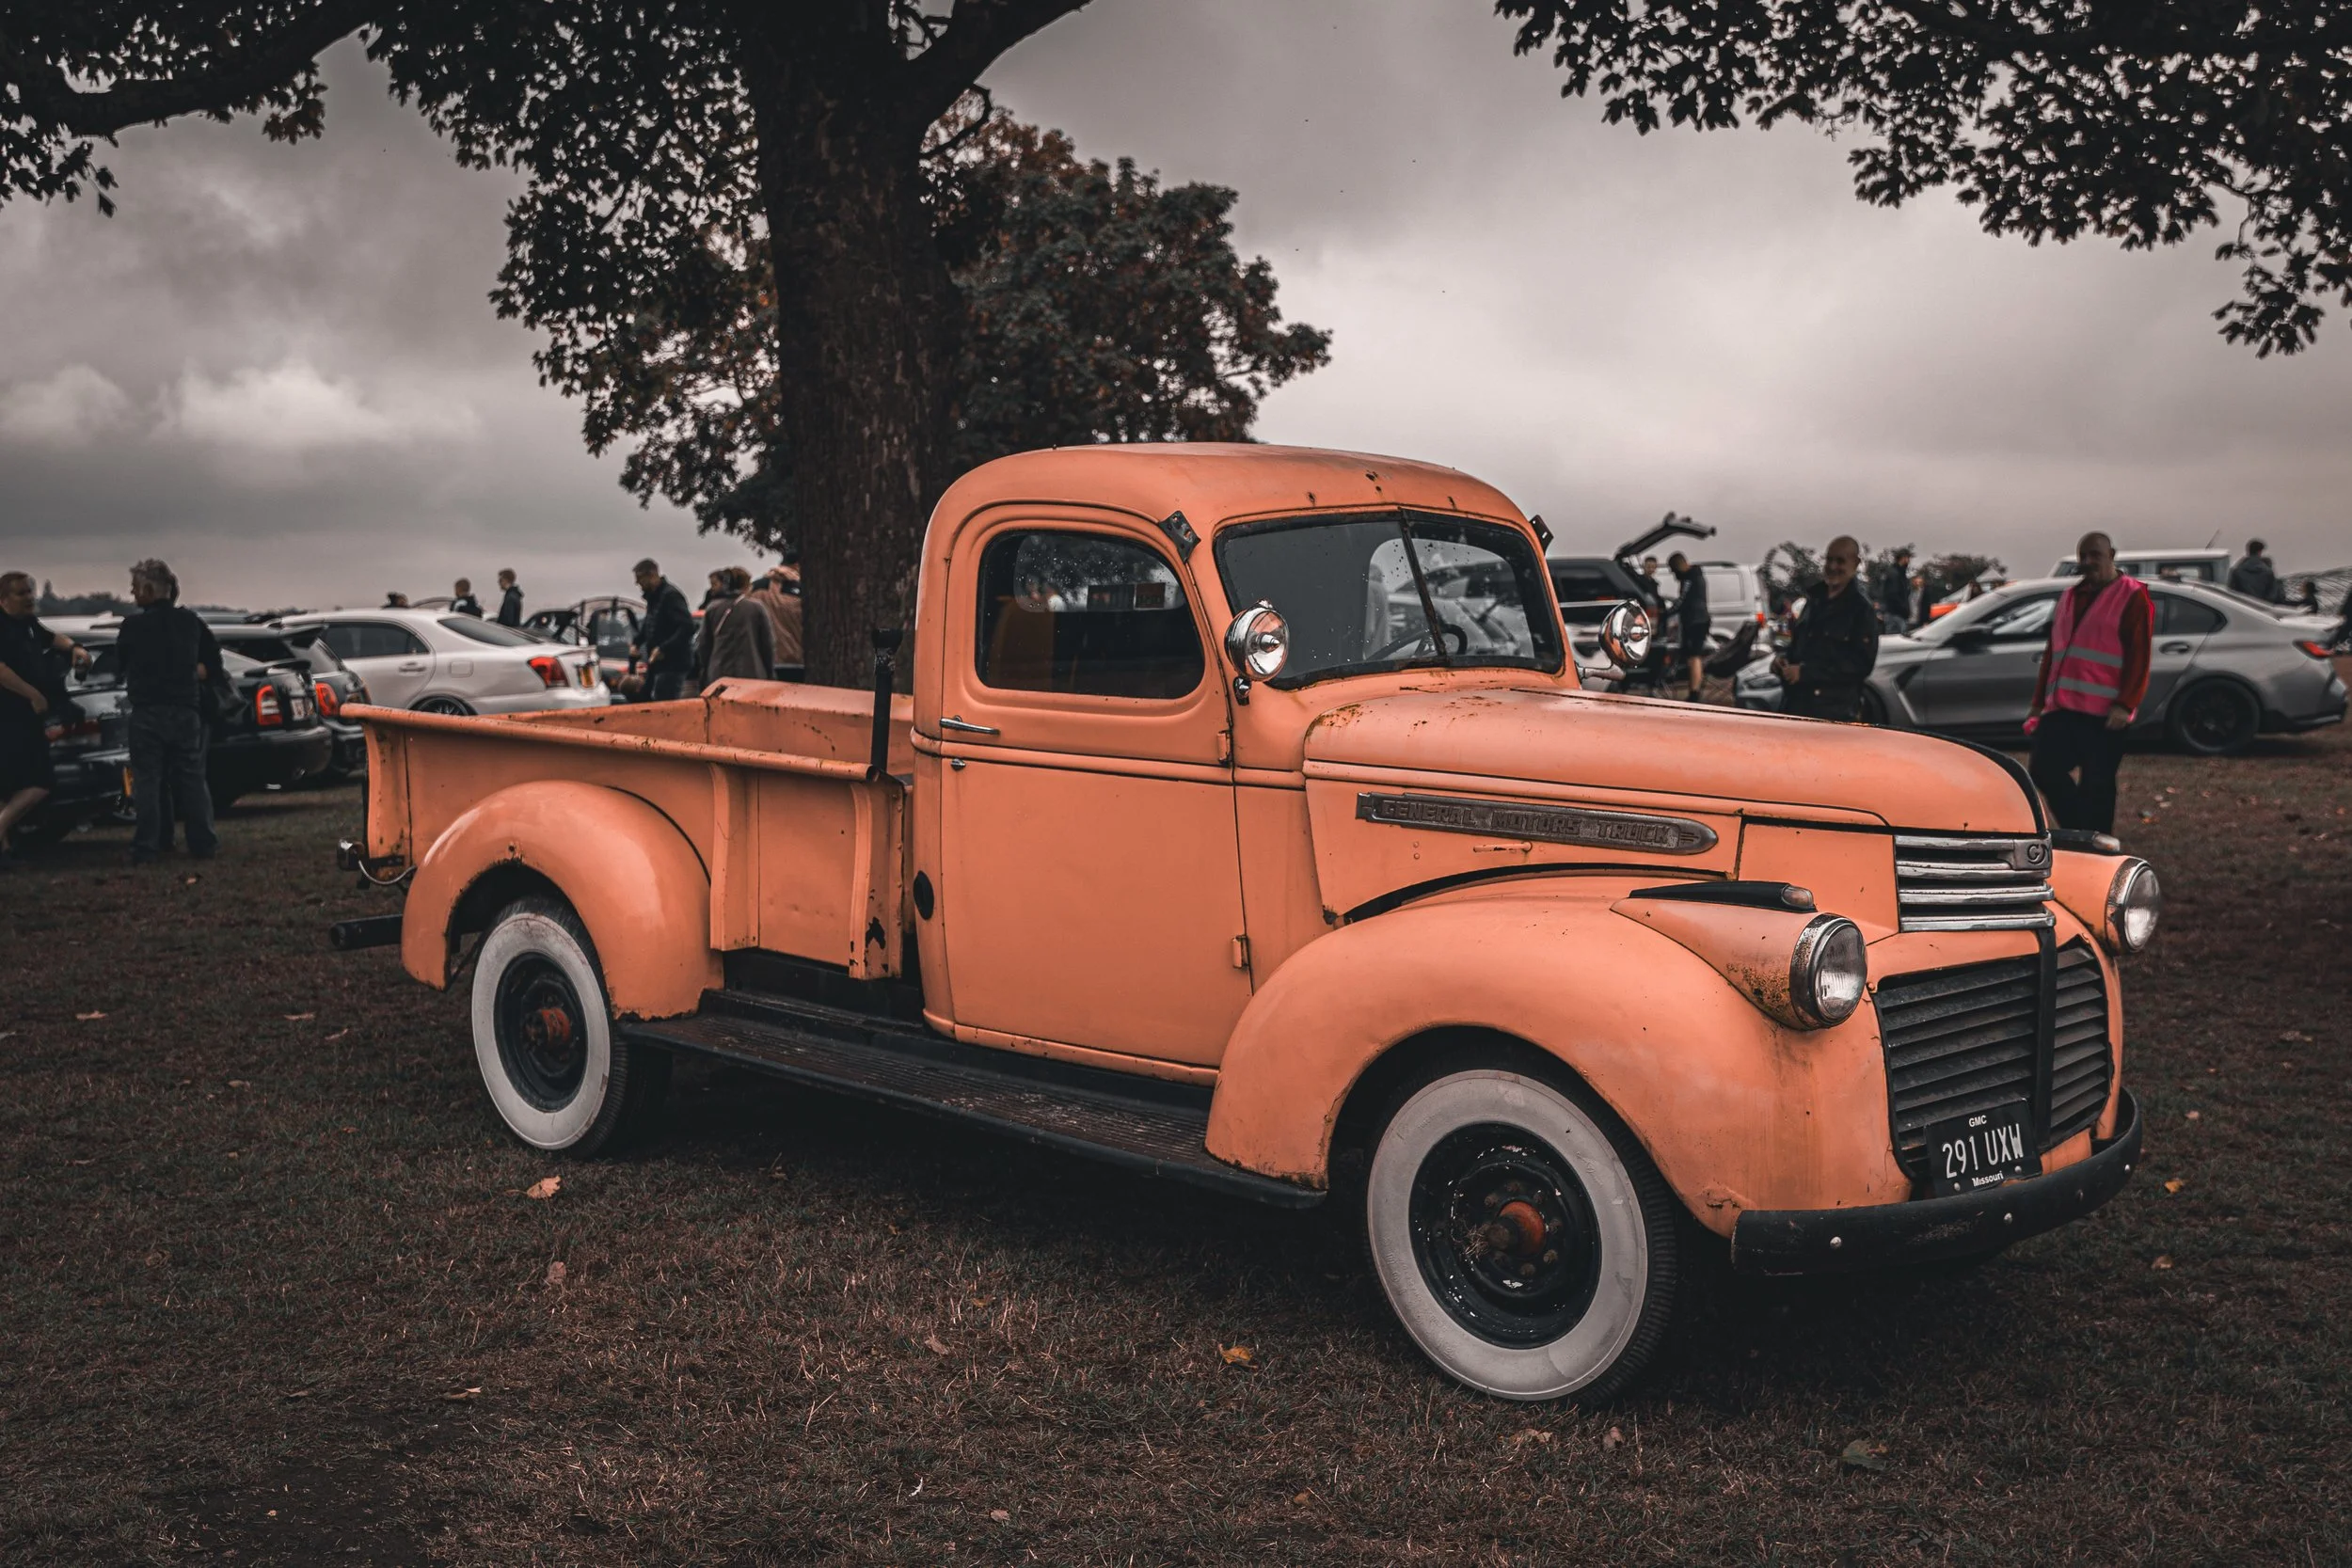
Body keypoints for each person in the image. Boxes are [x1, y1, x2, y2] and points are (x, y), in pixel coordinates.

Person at [2027, 531, 2153, 835]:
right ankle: (2084, 833)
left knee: (2098, 784)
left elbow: (2140, 655)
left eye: (2095, 555)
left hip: (2106, 713)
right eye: (2083, 556)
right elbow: (2053, 653)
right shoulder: (2070, 597)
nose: (2088, 562)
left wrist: (2125, 704)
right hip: (2063, 708)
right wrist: (2039, 703)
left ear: (2112, 555)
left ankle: (2095, 841)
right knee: (2043, 770)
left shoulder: (2132, 596)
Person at [117, 559, 222, 864]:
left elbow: (119, 663)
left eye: (136, 588)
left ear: (149, 590)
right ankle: (203, 842)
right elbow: (213, 663)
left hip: (147, 711)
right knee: (191, 778)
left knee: (148, 780)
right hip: (186, 710)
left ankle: (148, 845)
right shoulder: (190, 622)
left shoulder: (133, 626)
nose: (132, 593)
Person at [0, 571, 89, 864]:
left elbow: (52, 638)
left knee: (9, 784)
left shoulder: (26, 624)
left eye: (30, 592)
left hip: (26, 717)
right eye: (21, 593)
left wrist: (75, 647)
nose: (29, 598)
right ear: (3, 600)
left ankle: (5, 849)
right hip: (10, 716)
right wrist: (32, 694)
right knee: (41, 782)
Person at [1772, 535, 1880, 721]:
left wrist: (1805, 673)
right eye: (1829, 559)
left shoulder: (1861, 610)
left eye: (1840, 561)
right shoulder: (1815, 600)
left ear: (1856, 563)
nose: (1833, 566)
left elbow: (1861, 665)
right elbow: (1798, 644)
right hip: (1796, 707)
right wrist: (1782, 660)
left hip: (1834, 714)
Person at [694, 566, 776, 690]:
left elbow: (704, 644)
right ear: (746, 585)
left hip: (718, 673)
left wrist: (705, 668)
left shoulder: (713, 608)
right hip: (752, 672)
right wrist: (770, 672)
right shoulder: (756, 608)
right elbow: (767, 643)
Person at [631, 558, 697, 701]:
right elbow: (649, 624)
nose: (638, 584)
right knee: (646, 696)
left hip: (673, 663)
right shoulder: (654, 598)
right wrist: (637, 643)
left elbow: (687, 627)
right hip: (658, 663)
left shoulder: (671, 596)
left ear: (651, 576)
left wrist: (663, 648)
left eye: (640, 579)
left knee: (665, 700)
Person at [742, 555, 805, 679]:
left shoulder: (754, 588)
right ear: (797, 566)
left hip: (761, 662)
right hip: (796, 660)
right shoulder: (802, 589)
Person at [1663, 550, 1708, 701]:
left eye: (1673, 569)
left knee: (1694, 657)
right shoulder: (1697, 576)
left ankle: (1695, 693)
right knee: (1694, 657)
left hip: (1695, 621)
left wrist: (1666, 613)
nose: (1673, 574)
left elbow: (1682, 601)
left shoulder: (1690, 578)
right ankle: (1695, 690)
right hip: (1699, 620)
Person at [2227, 539, 2284, 604]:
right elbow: (2274, 595)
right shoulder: (2268, 572)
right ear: (2260, 552)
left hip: (2243, 608)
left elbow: (2231, 593)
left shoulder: (2237, 571)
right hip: (2263, 609)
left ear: (2248, 551)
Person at [1878, 547, 1915, 633]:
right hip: (1896, 614)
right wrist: (1904, 610)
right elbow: (1892, 594)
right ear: (1903, 558)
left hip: (1895, 613)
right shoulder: (1895, 574)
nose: (1909, 561)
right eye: (1908, 558)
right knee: (1896, 639)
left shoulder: (1897, 573)